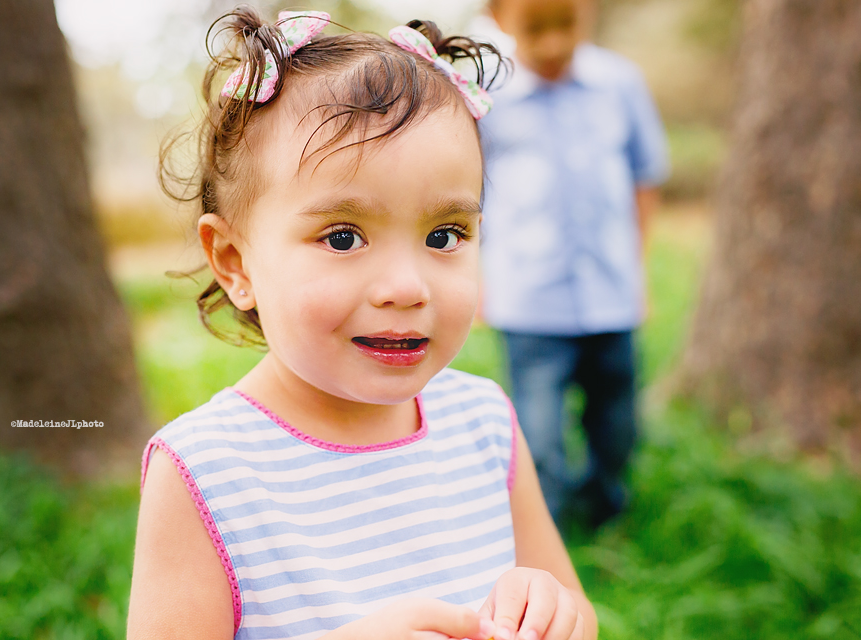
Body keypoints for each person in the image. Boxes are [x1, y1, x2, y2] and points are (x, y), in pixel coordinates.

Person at [126, 8, 598, 640]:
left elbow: (576, 607)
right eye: (343, 237)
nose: (406, 287)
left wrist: (553, 610)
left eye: (444, 235)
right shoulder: (206, 471)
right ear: (236, 262)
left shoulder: (484, 422)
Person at [477, 0, 669, 530]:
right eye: (534, 27)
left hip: (612, 294)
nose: (553, 43)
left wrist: (637, 267)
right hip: (529, 301)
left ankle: (606, 511)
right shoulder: (488, 98)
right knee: (538, 433)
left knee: (618, 422)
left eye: (566, 23)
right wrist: (477, 278)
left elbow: (645, 175)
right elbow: (471, 197)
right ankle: (548, 532)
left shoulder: (620, 84)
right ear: (499, 18)